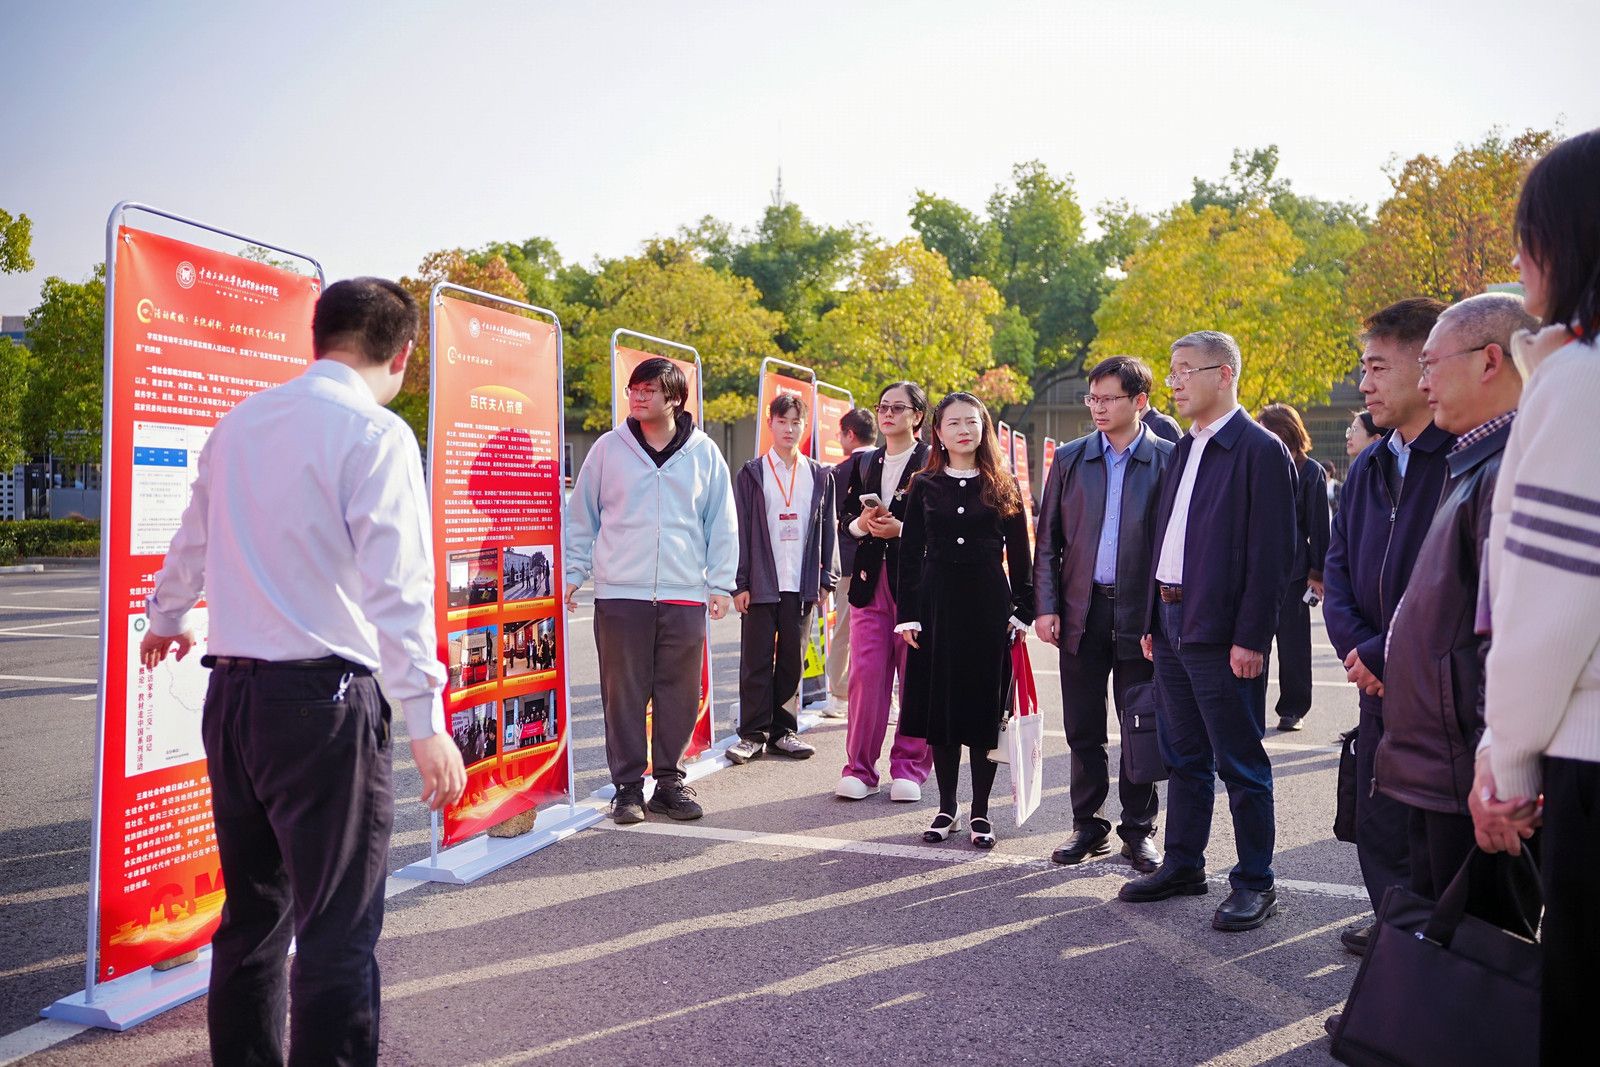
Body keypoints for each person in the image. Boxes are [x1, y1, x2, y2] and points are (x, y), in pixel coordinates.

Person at [138, 277, 467, 1066]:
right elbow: (398, 588)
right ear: (403, 355)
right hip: (323, 704)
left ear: (317, 337)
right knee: (336, 928)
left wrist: (166, 616)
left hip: (233, 698)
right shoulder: (376, 434)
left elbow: (191, 537)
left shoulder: (240, 424)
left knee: (251, 919)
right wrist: (426, 721)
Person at [1472, 127, 1600, 1064]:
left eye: (1529, 238)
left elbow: (1550, 603)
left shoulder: (1580, 388)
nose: (1519, 263)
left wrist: (1508, 763)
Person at [1120, 331, 1296, 933]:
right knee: (1183, 755)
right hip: (1171, 621)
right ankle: (1183, 865)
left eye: (1184, 371)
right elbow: (1164, 540)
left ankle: (1255, 882)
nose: (1173, 382)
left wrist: (1252, 636)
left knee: (1239, 761)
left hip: (1222, 631)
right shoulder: (1185, 447)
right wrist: (1151, 620)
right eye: (1171, 371)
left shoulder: (1259, 450)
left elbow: (1272, 557)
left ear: (1224, 375)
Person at [1373, 293, 1538, 923]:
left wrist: (1501, 766)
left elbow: (1511, 635)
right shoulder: (1477, 461)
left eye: (1431, 364)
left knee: (1481, 947)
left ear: (1490, 361)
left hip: (1469, 770)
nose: (1423, 383)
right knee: (1444, 937)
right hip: (1446, 764)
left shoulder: (1509, 468)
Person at [1320, 297, 1453, 955]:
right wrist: (1359, 652)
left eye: (1377, 367)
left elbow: (1456, 583)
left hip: (1439, 688)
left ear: (1427, 366)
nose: (1364, 383)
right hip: (1373, 685)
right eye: (1363, 368)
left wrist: (1385, 651)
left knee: (1438, 834)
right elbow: (1338, 568)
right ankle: (1397, 932)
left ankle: (1433, 952)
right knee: (1380, 822)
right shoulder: (1370, 464)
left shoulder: (1462, 458)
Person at [565, 356, 737, 824]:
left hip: (684, 592)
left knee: (678, 694)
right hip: (621, 592)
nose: (638, 398)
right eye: (633, 390)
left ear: (675, 398)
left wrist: (721, 582)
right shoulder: (608, 449)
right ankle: (626, 788)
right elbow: (581, 517)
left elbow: (721, 520)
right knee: (623, 694)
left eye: (648, 391)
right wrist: (572, 573)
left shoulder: (704, 452)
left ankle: (669, 783)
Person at [1034, 356, 1174, 872]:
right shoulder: (1071, 458)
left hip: (1142, 614)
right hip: (1082, 610)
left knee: (1141, 724)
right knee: (1083, 727)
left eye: (1108, 398)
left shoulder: (1169, 459)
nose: (1097, 407)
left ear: (1140, 401)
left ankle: (1139, 830)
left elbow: (1176, 549)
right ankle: (1087, 825)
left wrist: (1164, 619)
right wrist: (1047, 606)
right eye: (1092, 398)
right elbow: (1047, 542)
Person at [897, 392, 1033, 848]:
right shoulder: (923, 484)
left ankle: (980, 811)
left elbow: (1021, 555)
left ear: (983, 428)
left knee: (983, 709)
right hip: (936, 605)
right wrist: (908, 615)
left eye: (971, 422)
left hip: (989, 605)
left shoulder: (1004, 484)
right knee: (942, 709)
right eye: (952, 422)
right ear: (937, 431)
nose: (963, 430)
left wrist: (1022, 611)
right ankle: (946, 806)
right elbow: (909, 554)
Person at [835, 383, 934, 801]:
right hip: (869, 582)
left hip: (917, 585)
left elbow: (945, 525)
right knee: (866, 677)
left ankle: (910, 767)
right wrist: (863, 524)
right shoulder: (864, 462)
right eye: (883, 407)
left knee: (916, 678)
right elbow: (844, 520)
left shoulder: (933, 461)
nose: (888, 414)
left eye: (898, 407)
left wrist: (903, 530)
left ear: (917, 416)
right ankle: (859, 768)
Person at [727, 393, 838, 764]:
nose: (789, 429)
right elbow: (740, 529)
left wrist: (827, 579)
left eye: (796, 422)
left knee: (793, 658)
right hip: (761, 581)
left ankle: (784, 732)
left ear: (804, 426)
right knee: (755, 660)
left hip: (801, 583)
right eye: (782, 421)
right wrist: (739, 583)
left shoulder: (819, 475)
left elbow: (829, 528)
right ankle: (752, 735)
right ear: (770, 424)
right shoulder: (752, 473)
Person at [1256, 404, 1330, 732]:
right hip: (1258, 569)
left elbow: (1320, 527)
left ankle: (1293, 708)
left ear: (1283, 431)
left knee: (1294, 647)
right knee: (1253, 644)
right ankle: (1251, 710)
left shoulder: (1311, 471)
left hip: (1296, 573)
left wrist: (1317, 574)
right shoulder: (1260, 464)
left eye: (1265, 428)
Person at [822, 406, 877, 717]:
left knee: (844, 628)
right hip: (885, 560)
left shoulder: (839, 472)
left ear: (850, 434)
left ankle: (840, 695)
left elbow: (828, 520)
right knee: (884, 629)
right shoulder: (888, 463)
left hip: (847, 562)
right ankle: (885, 695)